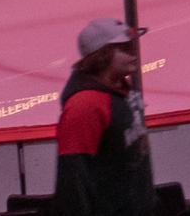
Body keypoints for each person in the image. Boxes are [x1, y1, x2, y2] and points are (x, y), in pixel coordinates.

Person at [54, 18, 154, 216]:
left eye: (131, 46)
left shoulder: (123, 93)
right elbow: (73, 179)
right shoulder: (85, 105)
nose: (133, 53)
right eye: (124, 48)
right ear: (102, 56)